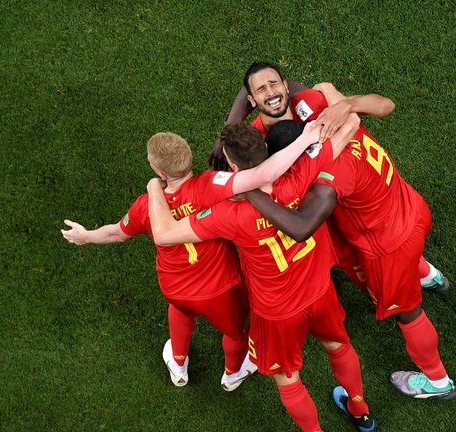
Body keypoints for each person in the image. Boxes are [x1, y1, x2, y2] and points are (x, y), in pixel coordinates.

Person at [146, 120, 376, 432]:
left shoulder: (226, 213)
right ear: (266, 149)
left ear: (230, 163)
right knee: (339, 347)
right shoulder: (301, 175)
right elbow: (349, 125)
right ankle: (360, 409)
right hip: (319, 292)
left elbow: (164, 233)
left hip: (277, 313)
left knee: (288, 379)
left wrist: (152, 188)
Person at [60, 128, 320, 391]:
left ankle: (179, 363)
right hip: (220, 291)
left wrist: (86, 236)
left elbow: (116, 233)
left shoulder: (145, 206)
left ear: (161, 173)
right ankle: (232, 374)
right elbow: (259, 177)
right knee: (235, 332)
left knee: (181, 310)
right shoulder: (211, 185)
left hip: (175, 288)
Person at [244, 86, 456, 400]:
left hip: (389, 248)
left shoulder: (327, 180)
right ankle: (426, 274)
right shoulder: (338, 118)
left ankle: (439, 381)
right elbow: (382, 102)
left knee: (408, 313)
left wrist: (249, 189)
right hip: (408, 207)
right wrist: (344, 103)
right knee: (407, 256)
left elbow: (302, 226)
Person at [214, 61, 450, 294]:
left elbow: (384, 106)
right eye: (261, 89)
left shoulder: (314, 106)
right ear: (252, 101)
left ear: (285, 86)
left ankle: (413, 274)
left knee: (387, 278)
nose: (271, 92)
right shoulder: (257, 145)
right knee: (372, 258)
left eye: (274, 84)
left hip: (366, 215)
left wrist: (346, 104)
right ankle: (422, 272)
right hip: (351, 208)